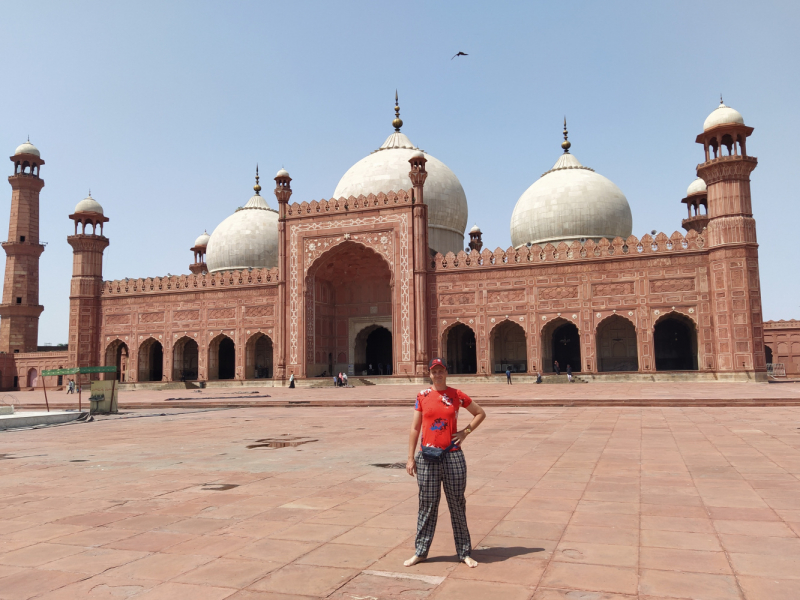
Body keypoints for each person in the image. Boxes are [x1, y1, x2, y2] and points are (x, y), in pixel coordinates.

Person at [405, 358, 486, 569]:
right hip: (427, 457)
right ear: (430, 374)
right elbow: (415, 428)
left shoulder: (456, 395)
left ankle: (464, 552)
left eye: (441, 371)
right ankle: (420, 552)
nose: (438, 374)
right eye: (434, 371)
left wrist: (465, 432)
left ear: (446, 373)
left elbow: (480, 413)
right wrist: (410, 457)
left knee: (457, 504)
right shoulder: (422, 396)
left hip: (452, 454)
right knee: (427, 504)